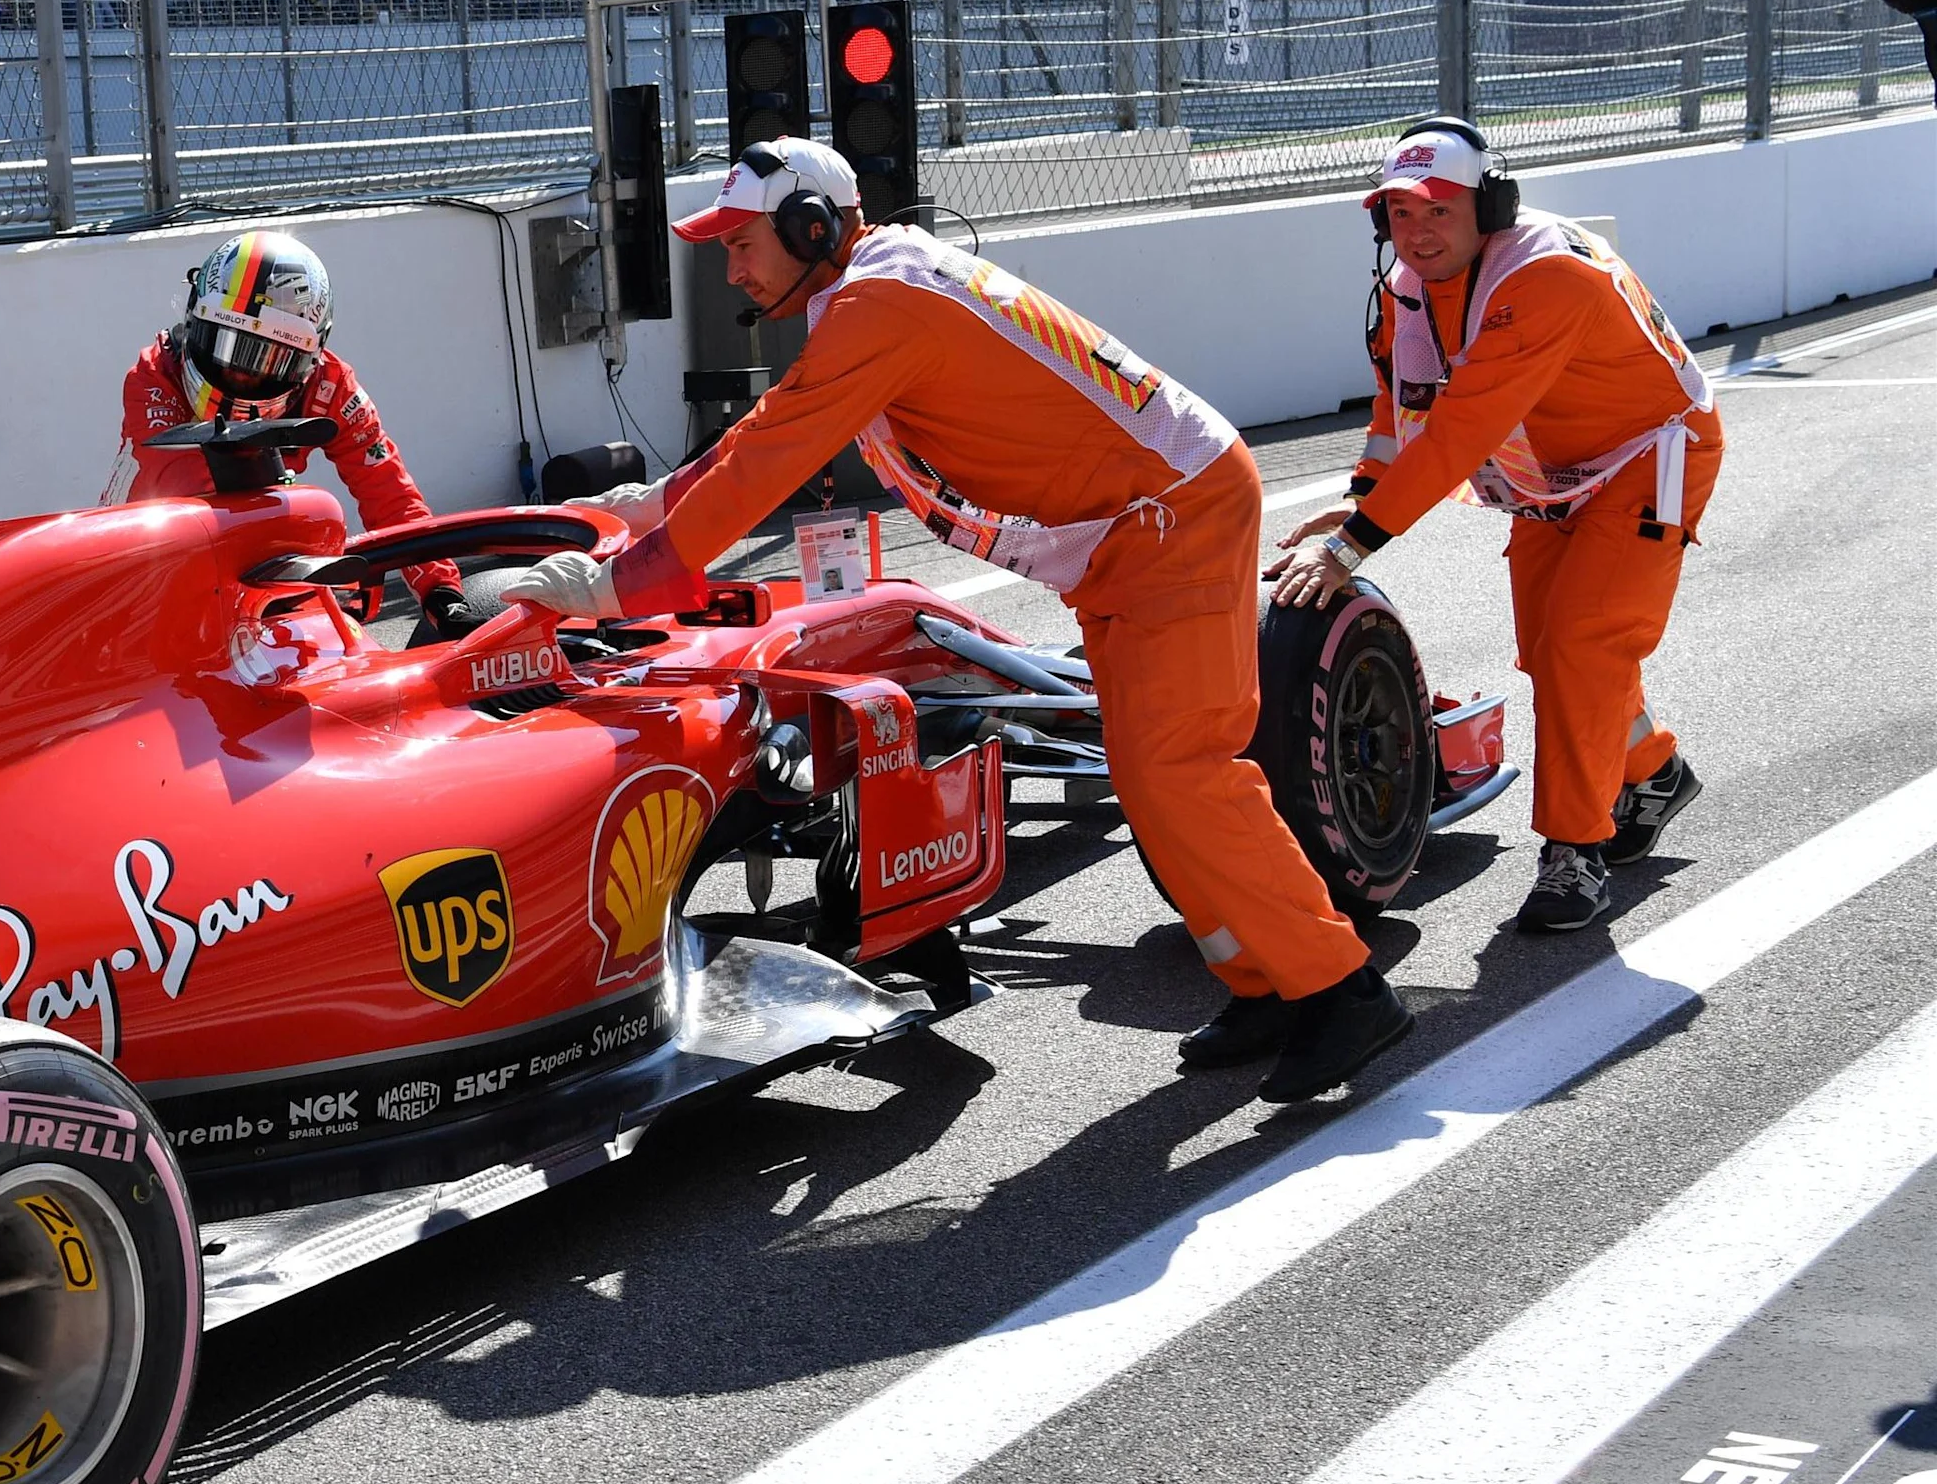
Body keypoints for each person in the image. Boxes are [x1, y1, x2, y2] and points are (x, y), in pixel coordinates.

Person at [502, 141, 1410, 1104]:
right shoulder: (875, 293)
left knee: (1182, 772)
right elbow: (773, 429)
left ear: (815, 227)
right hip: (1134, 524)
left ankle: (1342, 990)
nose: (729, 267)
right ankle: (1266, 979)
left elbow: (765, 461)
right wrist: (653, 510)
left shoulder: (878, 306)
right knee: (1152, 778)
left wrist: (617, 588)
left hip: (1166, 517)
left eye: (742, 242)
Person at [1269, 119, 1721, 932]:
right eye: (1400, 214)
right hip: (1552, 477)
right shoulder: (1408, 288)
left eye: (1440, 210)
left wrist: (1355, 544)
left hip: (1651, 458)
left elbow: (1461, 430)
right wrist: (1364, 492)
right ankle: (1653, 768)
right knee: (1548, 650)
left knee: (1584, 644)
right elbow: (1400, 405)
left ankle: (1573, 851)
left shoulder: (1547, 276)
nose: (1418, 231)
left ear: (1491, 204)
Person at [108, 230, 477, 641]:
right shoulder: (154, 377)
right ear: (196, 322)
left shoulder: (330, 387)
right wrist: (311, 548)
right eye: (231, 346)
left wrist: (442, 592)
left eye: (269, 357)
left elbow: (391, 495)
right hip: (151, 570)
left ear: (307, 360)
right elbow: (193, 496)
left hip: (271, 572)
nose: (244, 373)